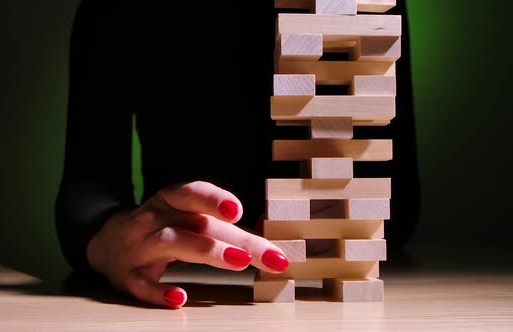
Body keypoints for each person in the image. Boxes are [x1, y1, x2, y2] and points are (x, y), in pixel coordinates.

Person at [55, 1, 420, 309]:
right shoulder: (119, 9)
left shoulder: (359, 9)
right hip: (180, 266)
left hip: (326, 283)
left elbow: (397, 197)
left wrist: (344, 224)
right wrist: (115, 237)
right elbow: (85, 197)